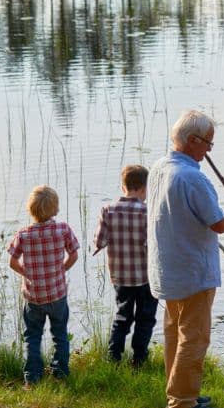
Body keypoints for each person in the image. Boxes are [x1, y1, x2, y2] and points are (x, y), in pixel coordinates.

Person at [147, 110, 224, 408]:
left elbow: (190, 211)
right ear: (193, 141)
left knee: (174, 335)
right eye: (208, 143)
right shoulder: (191, 176)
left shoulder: (159, 168)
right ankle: (183, 404)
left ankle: (180, 394)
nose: (209, 150)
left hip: (167, 268)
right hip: (192, 271)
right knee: (194, 338)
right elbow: (219, 223)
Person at [8, 185, 80, 388]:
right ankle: (60, 374)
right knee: (60, 335)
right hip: (57, 294)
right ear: (55, 209)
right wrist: (62, 269)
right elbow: (74, 254)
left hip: (34, 297)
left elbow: (12, 262)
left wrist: (27, 273)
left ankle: (32, 377)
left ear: (30, 210)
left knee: (32, 337)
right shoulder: (62, 229)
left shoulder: (23, 234)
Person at [94, 164, 158, 368]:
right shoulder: (148, 212)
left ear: (124, 187)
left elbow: (99, 242)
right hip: (146, 277)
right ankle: (139, 359)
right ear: (144, 187)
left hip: (120, 277)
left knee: (122, 316)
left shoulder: (108, 210)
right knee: (145, 318)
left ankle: (113, 357)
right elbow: (154, 245)